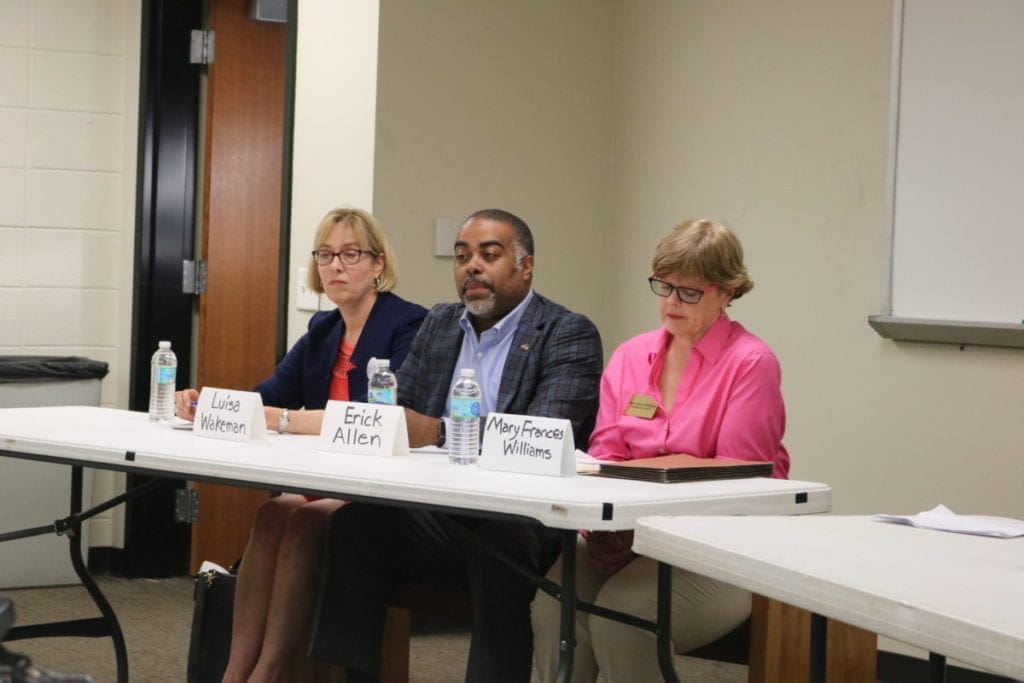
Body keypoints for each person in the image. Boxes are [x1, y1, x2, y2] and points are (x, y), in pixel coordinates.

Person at [308, 209, 603, 683]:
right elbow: (397, 409)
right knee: (355, 524)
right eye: (462, 256)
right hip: (440, 512)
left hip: (521, 524)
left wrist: (441, 432)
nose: (472, 268)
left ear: (525, 266)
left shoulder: (566, 333)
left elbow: (545, 434)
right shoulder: (443, 323)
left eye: (490, 255)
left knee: (499, 541)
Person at [531, 218, 790, 682]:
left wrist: (639, 529)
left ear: (727, 292)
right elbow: (605, 456)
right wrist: (606, 528)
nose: (671, 302)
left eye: (689, 292)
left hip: (715, 550)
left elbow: (737, 484)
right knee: (553, 605)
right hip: (621, 537)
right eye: (663, 286)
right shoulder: (631, 356)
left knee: (622, 618)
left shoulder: (750, 363)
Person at [174, 207, 427, 683]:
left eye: (351, 254)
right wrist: (205, 401)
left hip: (381, 490)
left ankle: (267, 672)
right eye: (326, 255)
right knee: (272, 513)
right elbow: (266, 397)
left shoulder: (410, 325)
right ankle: (235, 671)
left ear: (377, 264)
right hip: (326, 477)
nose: (336, 266)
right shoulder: (323, 330)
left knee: (307, 518)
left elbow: (383, 418)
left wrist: (285, 420)